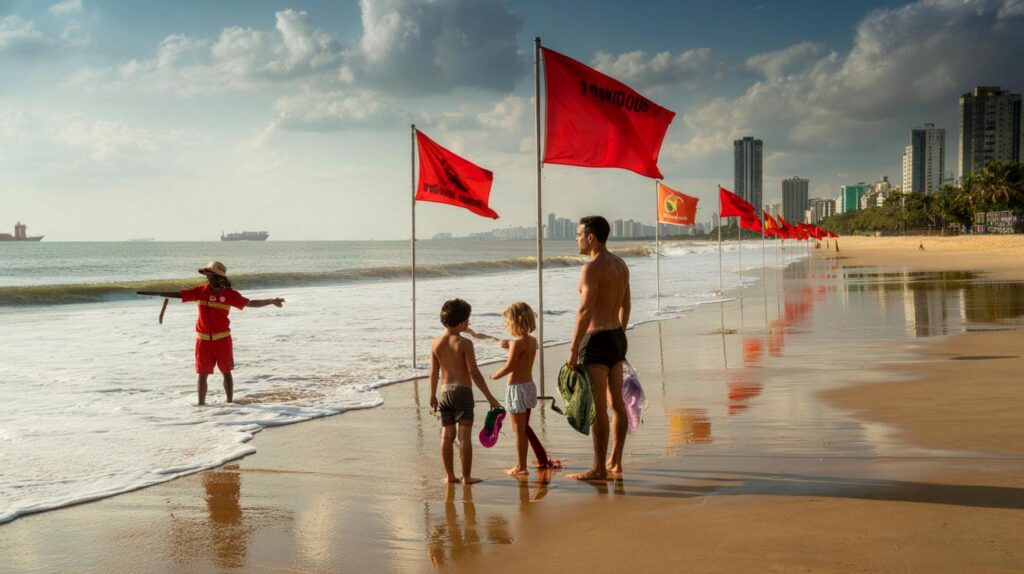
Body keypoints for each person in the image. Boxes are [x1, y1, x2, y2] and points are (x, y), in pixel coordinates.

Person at [137, 261, 284, 405]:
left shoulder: (229, 294)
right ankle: (201, 405)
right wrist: (156, 292)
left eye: (211, 276)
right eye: (207, 275)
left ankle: (230, 403)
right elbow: (180, 294)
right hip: (203, 341)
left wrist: (271, 301)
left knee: (226, 372)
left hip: (223, 340)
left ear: (220, 278)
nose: (208, 278)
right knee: (202, 374)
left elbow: (250, 303)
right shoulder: (200, 291)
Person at [566, 216, 631, 481]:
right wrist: (620, 333)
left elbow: (584, 311)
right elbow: (626, 304)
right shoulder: (620, 264)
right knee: (616, 403)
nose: (577, 239)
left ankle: (598, 468)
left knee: (596, 407)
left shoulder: (591, 268)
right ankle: (615, 461)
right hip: (616, 336)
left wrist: (572, 348)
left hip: (595, 340)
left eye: (579, 234)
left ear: (591, 237)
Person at [429, 298, 501, 484]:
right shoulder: (465, 344)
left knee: (446, 435)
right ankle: (466, 477)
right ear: (461, 323)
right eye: (468, 320)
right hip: (462, 393)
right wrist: (490, 397)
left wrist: (432, 395)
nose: (469, 324)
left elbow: (434, 372)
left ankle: (450, 476)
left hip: (444, 393)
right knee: (464, 437)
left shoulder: (435, 344)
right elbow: (474, 373)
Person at [489, 301, 560, 475]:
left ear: (515, 323)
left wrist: (495, 375)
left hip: (516, 390)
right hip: (528, 386)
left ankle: (521, 466)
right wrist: (510, 344)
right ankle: (539, 458)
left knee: (518, 430)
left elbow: (510, 366)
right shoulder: (531, 341)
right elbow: (520, 353)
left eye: (508, 324)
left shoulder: (516, 344)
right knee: (524, 427)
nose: (507, 327)